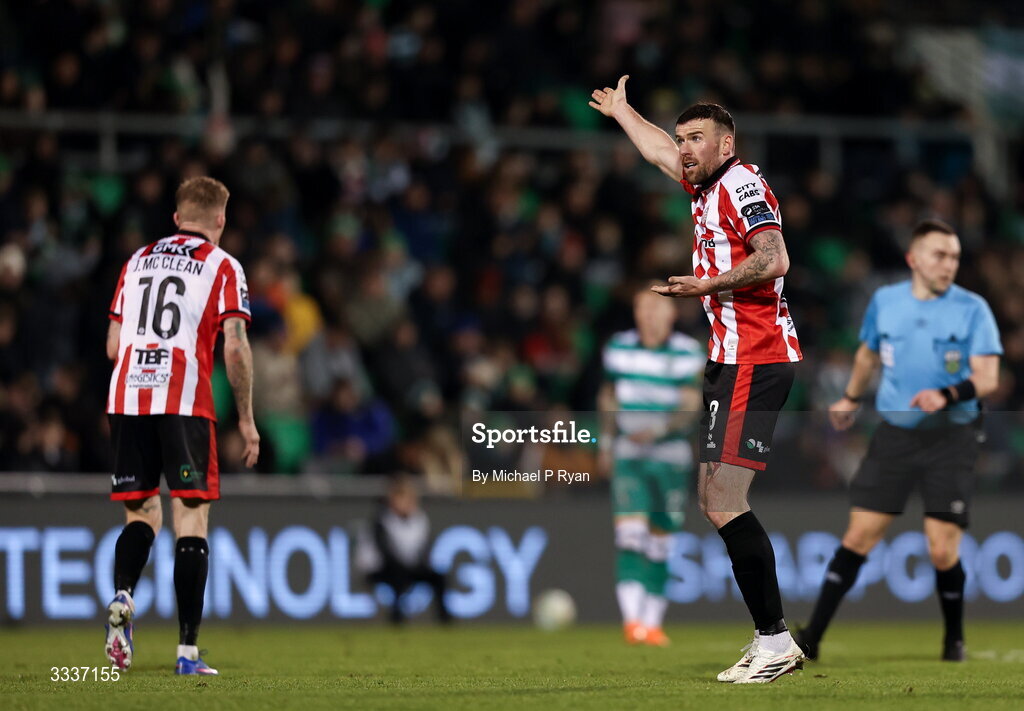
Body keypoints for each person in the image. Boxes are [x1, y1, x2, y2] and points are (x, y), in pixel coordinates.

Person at [590, 78, 804, 683]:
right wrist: (625, 113)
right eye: (683, 137)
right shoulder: (702, 184)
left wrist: (704, 287)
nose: (684, 148)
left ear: (726, 142)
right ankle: (771, 637)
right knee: (716, 499)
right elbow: (657, 151)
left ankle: (775, 641)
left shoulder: (740, 185)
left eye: (696, 138)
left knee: (723, 499)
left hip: (755, 355)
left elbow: (775, 257)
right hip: (731, 357)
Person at [795, 219, 1001, 663]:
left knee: (941, 546)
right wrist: (850, 395)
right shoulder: (885, 303)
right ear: (913, 259)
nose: (949, 264)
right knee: (859, 535)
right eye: (939, 255)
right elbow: (868, 353)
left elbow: (988, 377)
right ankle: (811, 636)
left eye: (954, 257)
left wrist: (945, 394)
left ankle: (954, 641)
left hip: (953, 434)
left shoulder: (972, 309)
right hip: (896, 434)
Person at [103, 176, 260, 675]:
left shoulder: (137, 260)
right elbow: (234, 344)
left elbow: (113, 345)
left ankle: (122, 597)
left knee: (140, 515)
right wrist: (248, 418)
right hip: (184, 400)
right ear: (220, 220)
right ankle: (188, 653)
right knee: (189, 521)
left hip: (127, 396)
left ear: (176, 218)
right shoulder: (223, 265)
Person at [599, 284, 703, 647]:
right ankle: (632, 624)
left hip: (670, 457)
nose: (649, 317)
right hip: (629, 455)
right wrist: (607, 442)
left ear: (671, 314)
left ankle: (652, 624)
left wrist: (660, 428)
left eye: (657, 310)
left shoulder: (688, 353)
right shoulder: (619, 348)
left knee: (660, 543)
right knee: (629, 535)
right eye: (643, 310)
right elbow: (608, 396)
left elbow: (691, 403)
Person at [364, 476, 451, 624]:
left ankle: (445, 619)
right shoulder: (382, 520)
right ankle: (397, 618)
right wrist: (404, 566)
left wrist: (418, 565)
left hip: (411, 566)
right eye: (400, 498)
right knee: (398, 577)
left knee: (438, 577)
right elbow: (385, 552)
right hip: (384, 568)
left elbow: (425, 548)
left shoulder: (420, 519)